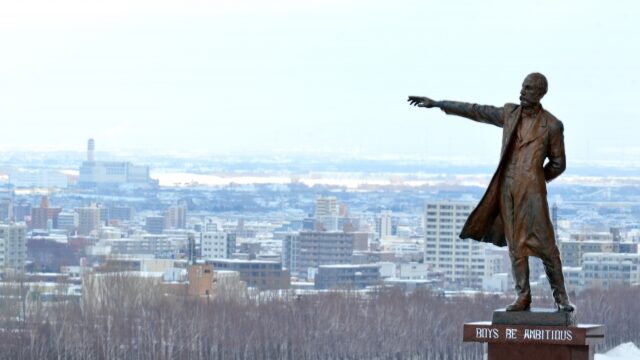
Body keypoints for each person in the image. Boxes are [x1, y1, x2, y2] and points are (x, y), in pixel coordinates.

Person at [408, 73, 574, 312]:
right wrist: (439, 104)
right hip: (507, 191)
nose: (522, 92)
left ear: (540, 92)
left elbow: (559, 163)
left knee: (547, 247)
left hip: (533, 194)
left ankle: (562, 299)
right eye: (522, 87)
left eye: (527, 88)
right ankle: (523, 296)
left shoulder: (553, 125)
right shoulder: (510, 113)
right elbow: (477, 111)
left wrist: (536, 179)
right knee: (516, 246)